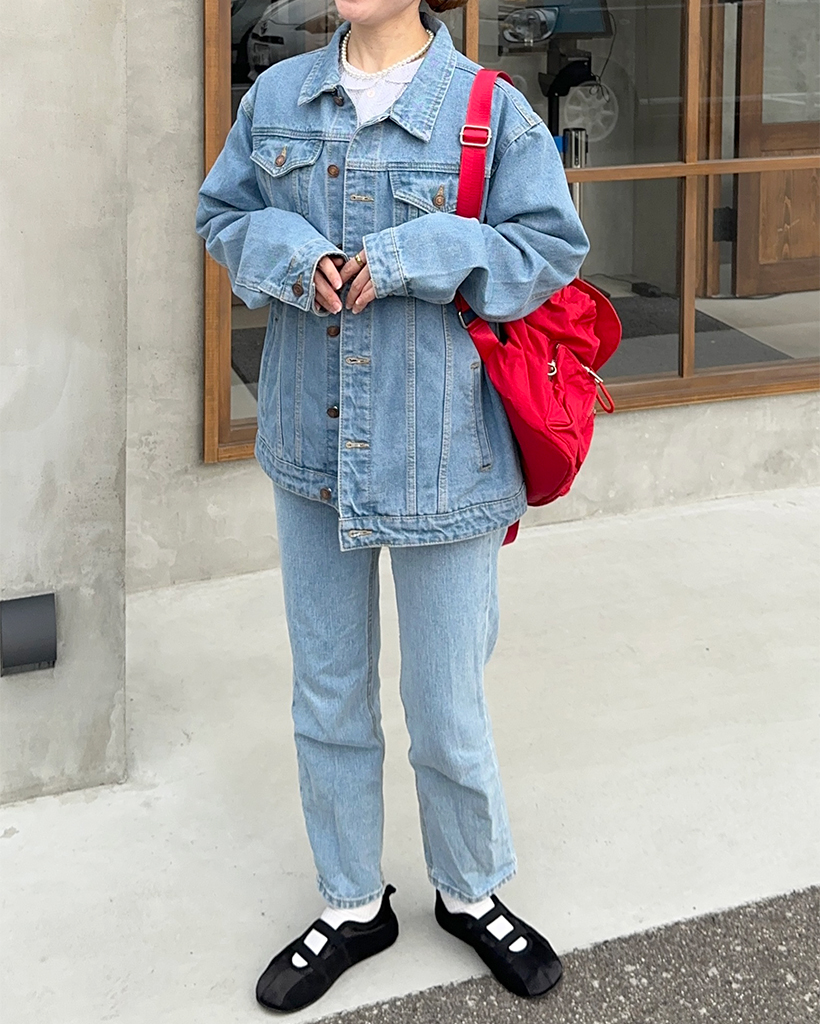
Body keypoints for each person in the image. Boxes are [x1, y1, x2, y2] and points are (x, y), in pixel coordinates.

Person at [196, 0, 589, 1013]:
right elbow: (222, 215)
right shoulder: (277, 96)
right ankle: (350, 901)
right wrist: (292, 259)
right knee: (327, 690)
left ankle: (471, 888)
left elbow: (549, 249)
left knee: (447, 700)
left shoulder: (489, 109)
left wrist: (418, 255)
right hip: (312, 445)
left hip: (445, 453)